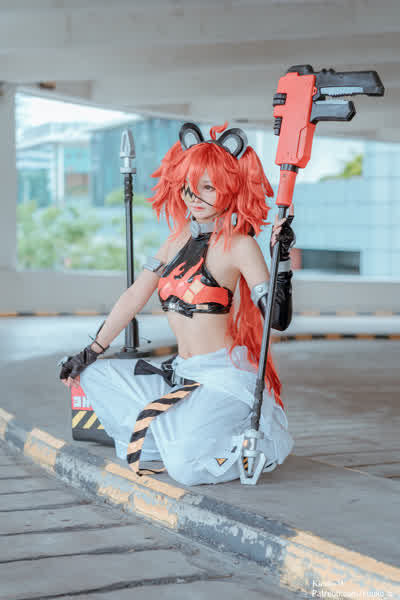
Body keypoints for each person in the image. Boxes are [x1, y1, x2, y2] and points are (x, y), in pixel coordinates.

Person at [59, 121, 296, 486]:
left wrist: (282, 262)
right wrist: (91, 351)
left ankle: (252, 449)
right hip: (181, 373)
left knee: (185, 469)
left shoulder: (240, 245)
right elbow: (134, 296)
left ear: (229, 187)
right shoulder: (175, 240)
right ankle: (171, 436)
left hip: (222, 378)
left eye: (208, 187)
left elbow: (276, 320)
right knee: (92, 375)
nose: (194, 196)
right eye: (189, 185)